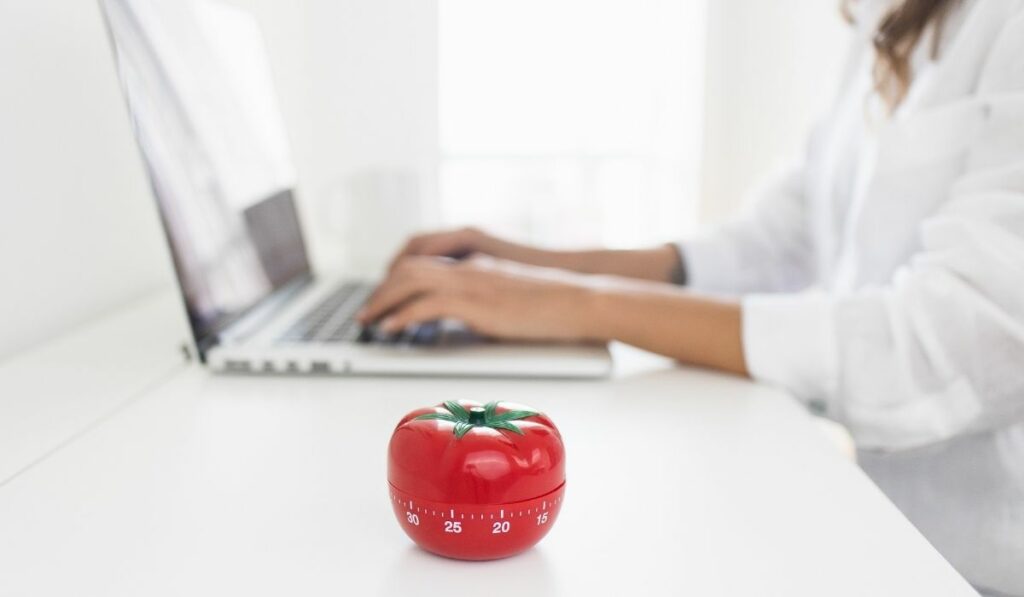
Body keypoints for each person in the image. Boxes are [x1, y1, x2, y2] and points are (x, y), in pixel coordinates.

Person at [359, 0, 1024, 592]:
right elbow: (775, 242)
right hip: (887, 533)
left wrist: (575, 302)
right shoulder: (887, 18)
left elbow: (944, 346)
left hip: (981, 563)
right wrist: (527, 265)